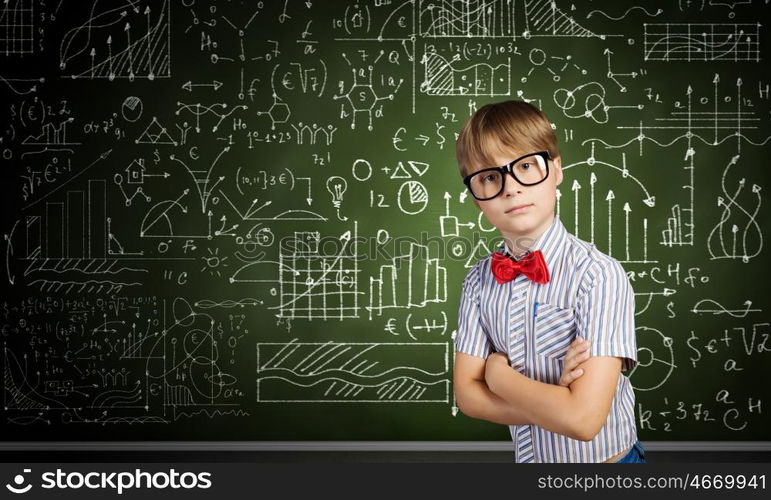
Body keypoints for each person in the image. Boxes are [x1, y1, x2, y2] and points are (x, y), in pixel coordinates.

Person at [453, 100, 644, 463]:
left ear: (556, 170)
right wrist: (556, 400)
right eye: (490, 177)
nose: (510, 188)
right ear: (476, 198)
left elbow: (585, 421)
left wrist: (498, 377)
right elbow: (467, 397)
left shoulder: (598, 275)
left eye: (526, 166)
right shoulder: (478, 283)